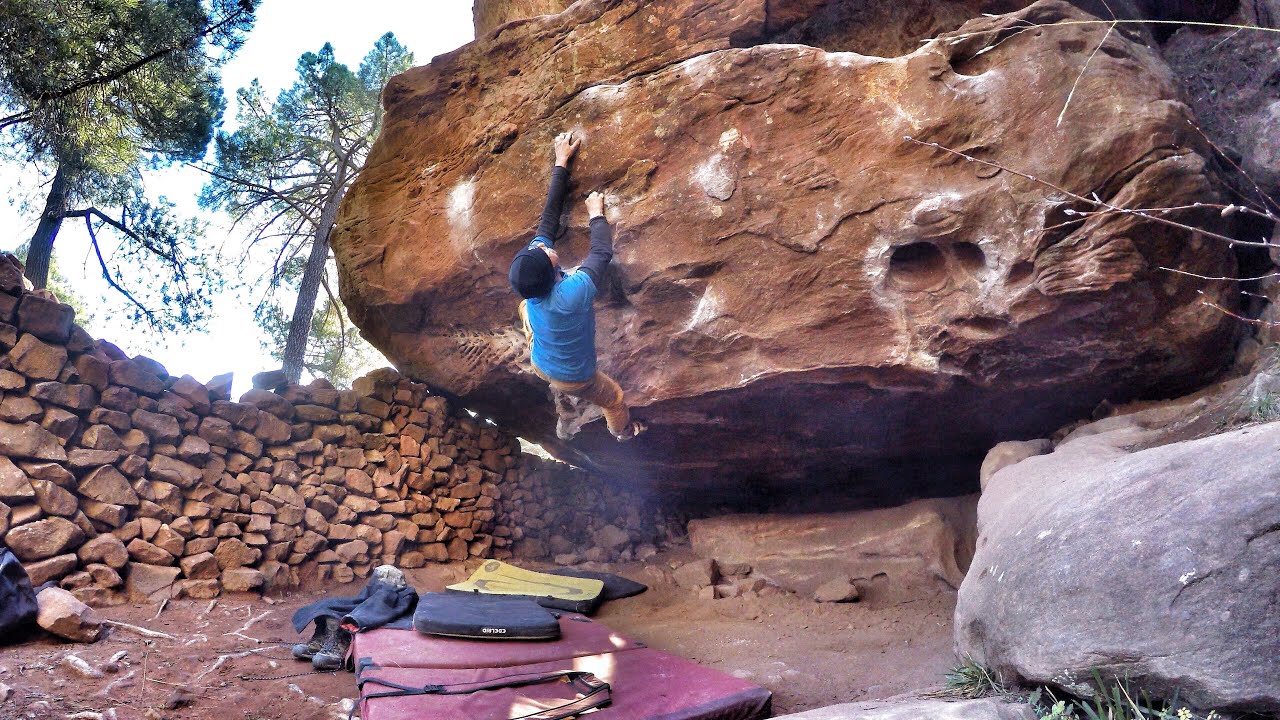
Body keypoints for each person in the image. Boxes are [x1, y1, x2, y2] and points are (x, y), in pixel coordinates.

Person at [509, 131, 644, 441]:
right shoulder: (572, 294)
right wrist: (596, 214)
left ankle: (534, 335)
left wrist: (561, 163)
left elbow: (548, 221)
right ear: (552, 269)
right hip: (576, 378)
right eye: (545, 253)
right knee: (614, 400)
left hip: (541, 363)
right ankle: (623, 433)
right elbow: (601, 253)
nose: (544, 247)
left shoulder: (532, 274)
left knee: (525, 308)